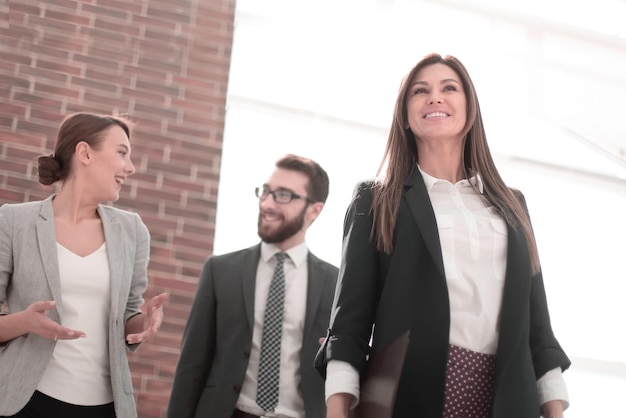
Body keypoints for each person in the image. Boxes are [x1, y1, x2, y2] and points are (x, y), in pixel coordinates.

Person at [315, 53, 571, 418]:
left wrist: (554, 410)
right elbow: (348, 326)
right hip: (408, 394)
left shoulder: (514, 206)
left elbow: (539, 332)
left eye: (448, 88)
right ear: (405, 115)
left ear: (470, 108)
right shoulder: (375, 201)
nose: (435, 97)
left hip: (508, 398)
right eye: (421, 91)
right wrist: (338, 411)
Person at [0, 112, 169, 418]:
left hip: (105, 406)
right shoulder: (14, 222)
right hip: (25, 400)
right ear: (85, 153)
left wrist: (145, 323)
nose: (130, 168)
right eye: (122, 153)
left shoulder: (132, 230)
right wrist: (24, 321)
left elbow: (129, 316)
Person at [167, 154, 339, 418]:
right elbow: (191, 366)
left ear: (314, 210)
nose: (267, 204)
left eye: (283, 195)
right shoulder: (221, 270)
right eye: (266, 192)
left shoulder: (336, 283)